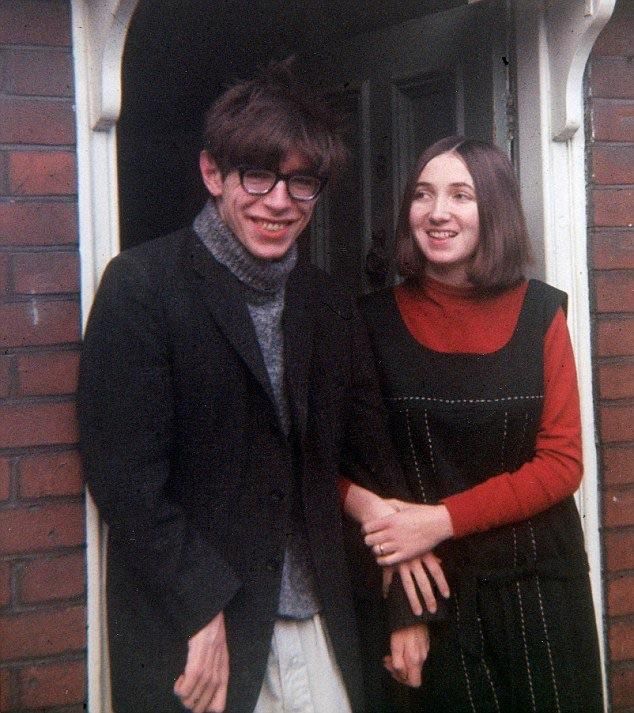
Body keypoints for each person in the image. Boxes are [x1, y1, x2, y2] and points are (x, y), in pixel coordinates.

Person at [77, 62, 445, 713]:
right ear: (212, 174)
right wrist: (201, 604)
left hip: (321, 622)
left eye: (301, 182)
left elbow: (370, 458)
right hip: (200, 633)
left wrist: (401, 605)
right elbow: (127, 481)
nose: (279, 200)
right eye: (258, 175)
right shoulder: (143, 287)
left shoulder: (328, 301)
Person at [345, 136, 604, 712]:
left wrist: (440, 520)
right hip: (432, 596)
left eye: (460, 195)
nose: (438, 212)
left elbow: (562, 464)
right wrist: (400, 599)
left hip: (540, 589)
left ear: (494, 211)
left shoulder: (542, 313)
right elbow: (338, 469)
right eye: (423, 195)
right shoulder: (368, 321)